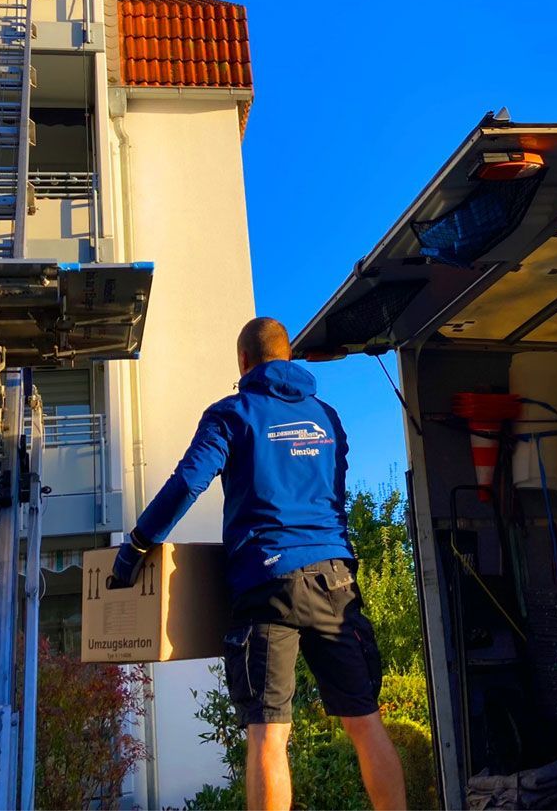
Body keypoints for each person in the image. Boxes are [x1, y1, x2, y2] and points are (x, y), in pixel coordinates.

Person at [109, 317, 407, 811]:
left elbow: (187, 483)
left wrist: (137, 545)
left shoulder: (232, 413)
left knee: (269, 736)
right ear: (287, 358)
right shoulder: (328, 418)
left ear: (243, 362)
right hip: (334, 579)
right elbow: (331, 495)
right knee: (364, 720)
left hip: (268, 583)